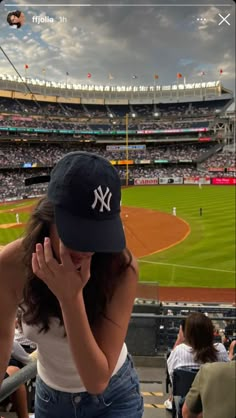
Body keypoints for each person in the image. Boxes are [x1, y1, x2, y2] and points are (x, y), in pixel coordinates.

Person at [0, 151, 144, 418]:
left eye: (98, 234)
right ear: (49, 217)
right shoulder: (11, 264)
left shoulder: (120, 270)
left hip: (113, 397)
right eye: (80, 232)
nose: (89, 247)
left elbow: (96, 381)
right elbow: (1, 335)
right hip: (50, 400)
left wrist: (70, 297)